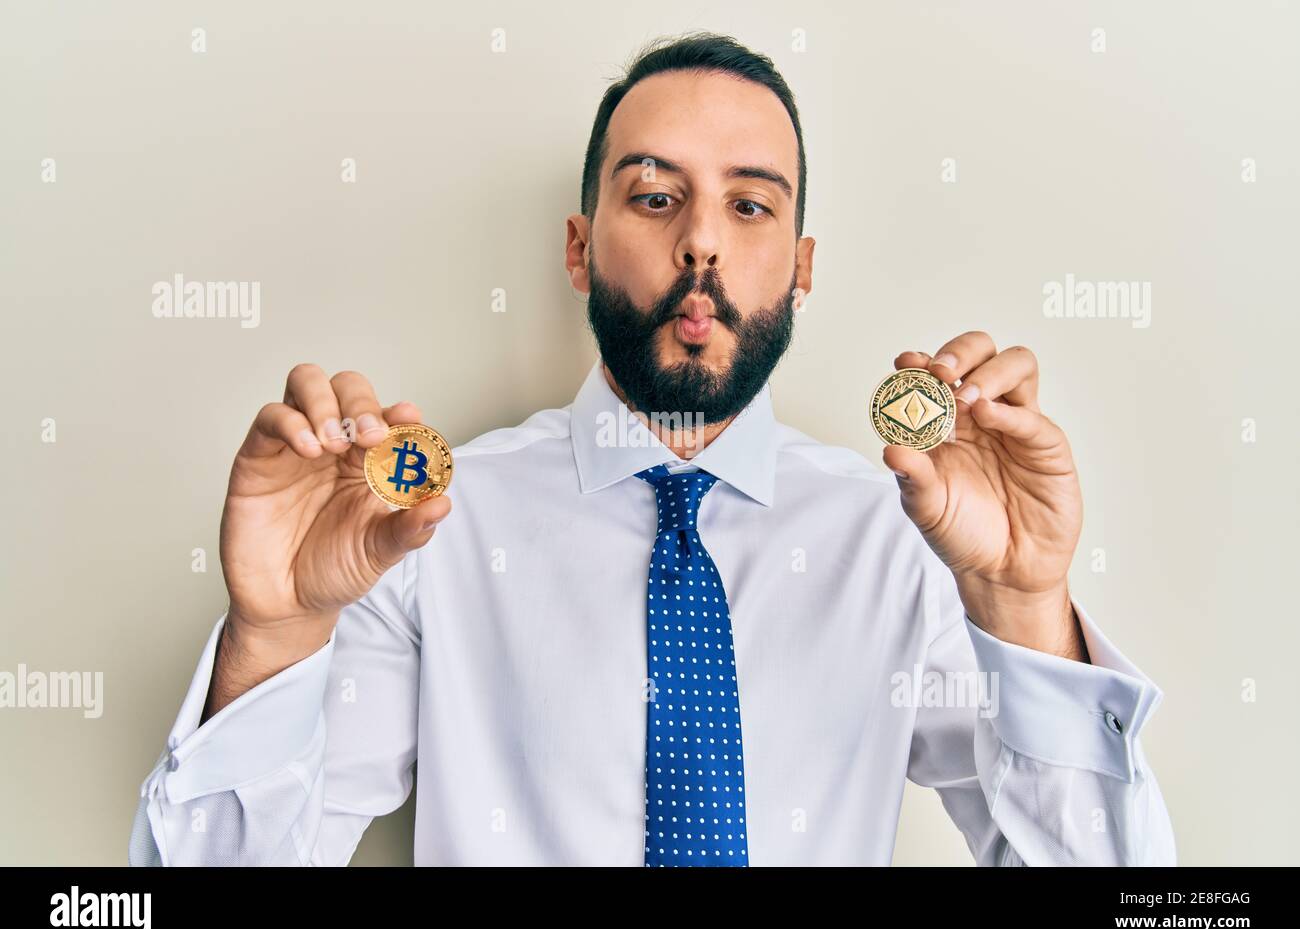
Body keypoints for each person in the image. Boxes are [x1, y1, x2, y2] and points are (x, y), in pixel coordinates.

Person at [129, 32, 1174, 866]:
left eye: (750, 204)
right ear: (579, 247)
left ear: (801, 267)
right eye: (655, 195)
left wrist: (1024, 608)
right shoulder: (421, 533)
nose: (703, 241)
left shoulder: (903, 539)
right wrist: (277, 634)